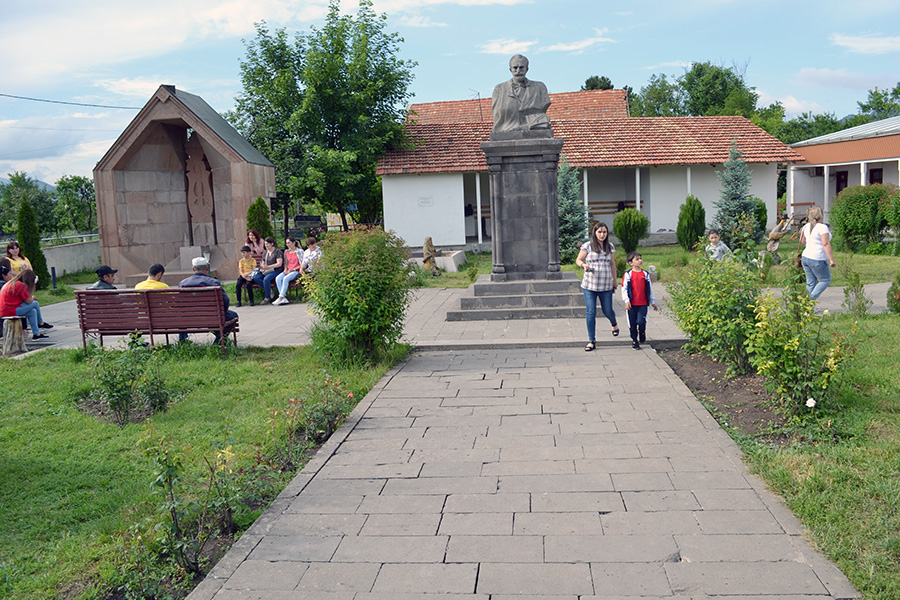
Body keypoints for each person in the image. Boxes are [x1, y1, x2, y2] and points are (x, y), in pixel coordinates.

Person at [576, 222, 619, 351]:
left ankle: (614, 323)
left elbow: (612, 264)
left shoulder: (609, 247)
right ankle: (591, 340)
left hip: (605, 285)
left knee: (607, 310)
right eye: (599, 232)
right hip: (590, 285)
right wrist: (583, 265)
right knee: (591, 312)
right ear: (594, 233)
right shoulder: (588, 246)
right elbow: (578, 260)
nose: (602, 235)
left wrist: (615, 280)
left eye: (604, 232)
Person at [178, 256, 238, 342]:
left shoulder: (183, 283)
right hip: (213, 316)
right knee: (234, 315)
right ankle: (220, 339)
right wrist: (221, 312)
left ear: (193, 269)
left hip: (188, 317)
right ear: (207, 268)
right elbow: (225, 301)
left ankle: (182, 341)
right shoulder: (213, 282)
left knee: (181, 316)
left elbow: (179, 304)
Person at [491, 54, 551, 134]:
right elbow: (498, 116)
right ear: (510, 70)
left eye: (521, 67)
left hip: (535, 128)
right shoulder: (500, 89)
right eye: (515, 68)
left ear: (527, 69)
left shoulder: (539, 87)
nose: (518, 71)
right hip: (507, 129)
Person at [621, 251, 659, 350]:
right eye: (637, 259)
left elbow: (649, 289)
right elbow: (624, 288)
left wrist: (653, 302)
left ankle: (642, 332)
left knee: (641, 321)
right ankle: (634, 340)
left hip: (643, 303)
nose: (640, 261)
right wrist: (626, 301)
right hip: (632, 304)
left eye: (640, 258)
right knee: (632, 322)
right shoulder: (628, 274)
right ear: (631, 263)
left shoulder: (645, 274)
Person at [0, 269, 52, 340]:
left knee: (32, 312)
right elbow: (28, 301)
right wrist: (33, 296)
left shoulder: (12, 283)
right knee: (35, 303)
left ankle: (36, 334)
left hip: (4, 310)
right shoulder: (21, 285)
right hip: (11, 310)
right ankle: (40, 323)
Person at [799, 205, 836, 300]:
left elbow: (802, 241)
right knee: (825, 280)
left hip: (806, 257)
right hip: (818, 258)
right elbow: (826, 244)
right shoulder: (822, 227)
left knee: (810, 282)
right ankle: (809, 301)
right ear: (821, 216)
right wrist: (831, 259)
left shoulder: (806, 226)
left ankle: (805, 306)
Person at [251, 237, 284, 304]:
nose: (266, 245)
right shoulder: (265, 252)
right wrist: (262, 267)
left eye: (267, 244)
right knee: (256, 277)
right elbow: (262, 261)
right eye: (265, 244)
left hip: (276, 270)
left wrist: (268, 267)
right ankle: (270, 290)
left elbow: (279, 264)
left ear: (272, 243)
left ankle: (267, 297)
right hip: (267, 270)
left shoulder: (278, 252)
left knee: (266, 279)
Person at [272, 237, 302, 305]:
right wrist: (285, 269)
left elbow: (302, 263)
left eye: (289, 243)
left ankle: (280, 297)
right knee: (278, 278)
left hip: (295, 271)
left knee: (285, 279)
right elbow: (286, 262)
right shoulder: (286, 252)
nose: (287, 245)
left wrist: (293, 269)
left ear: (294, 243)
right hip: (288, 270)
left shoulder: (299, 251)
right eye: (286, 243)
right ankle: (284, 298)